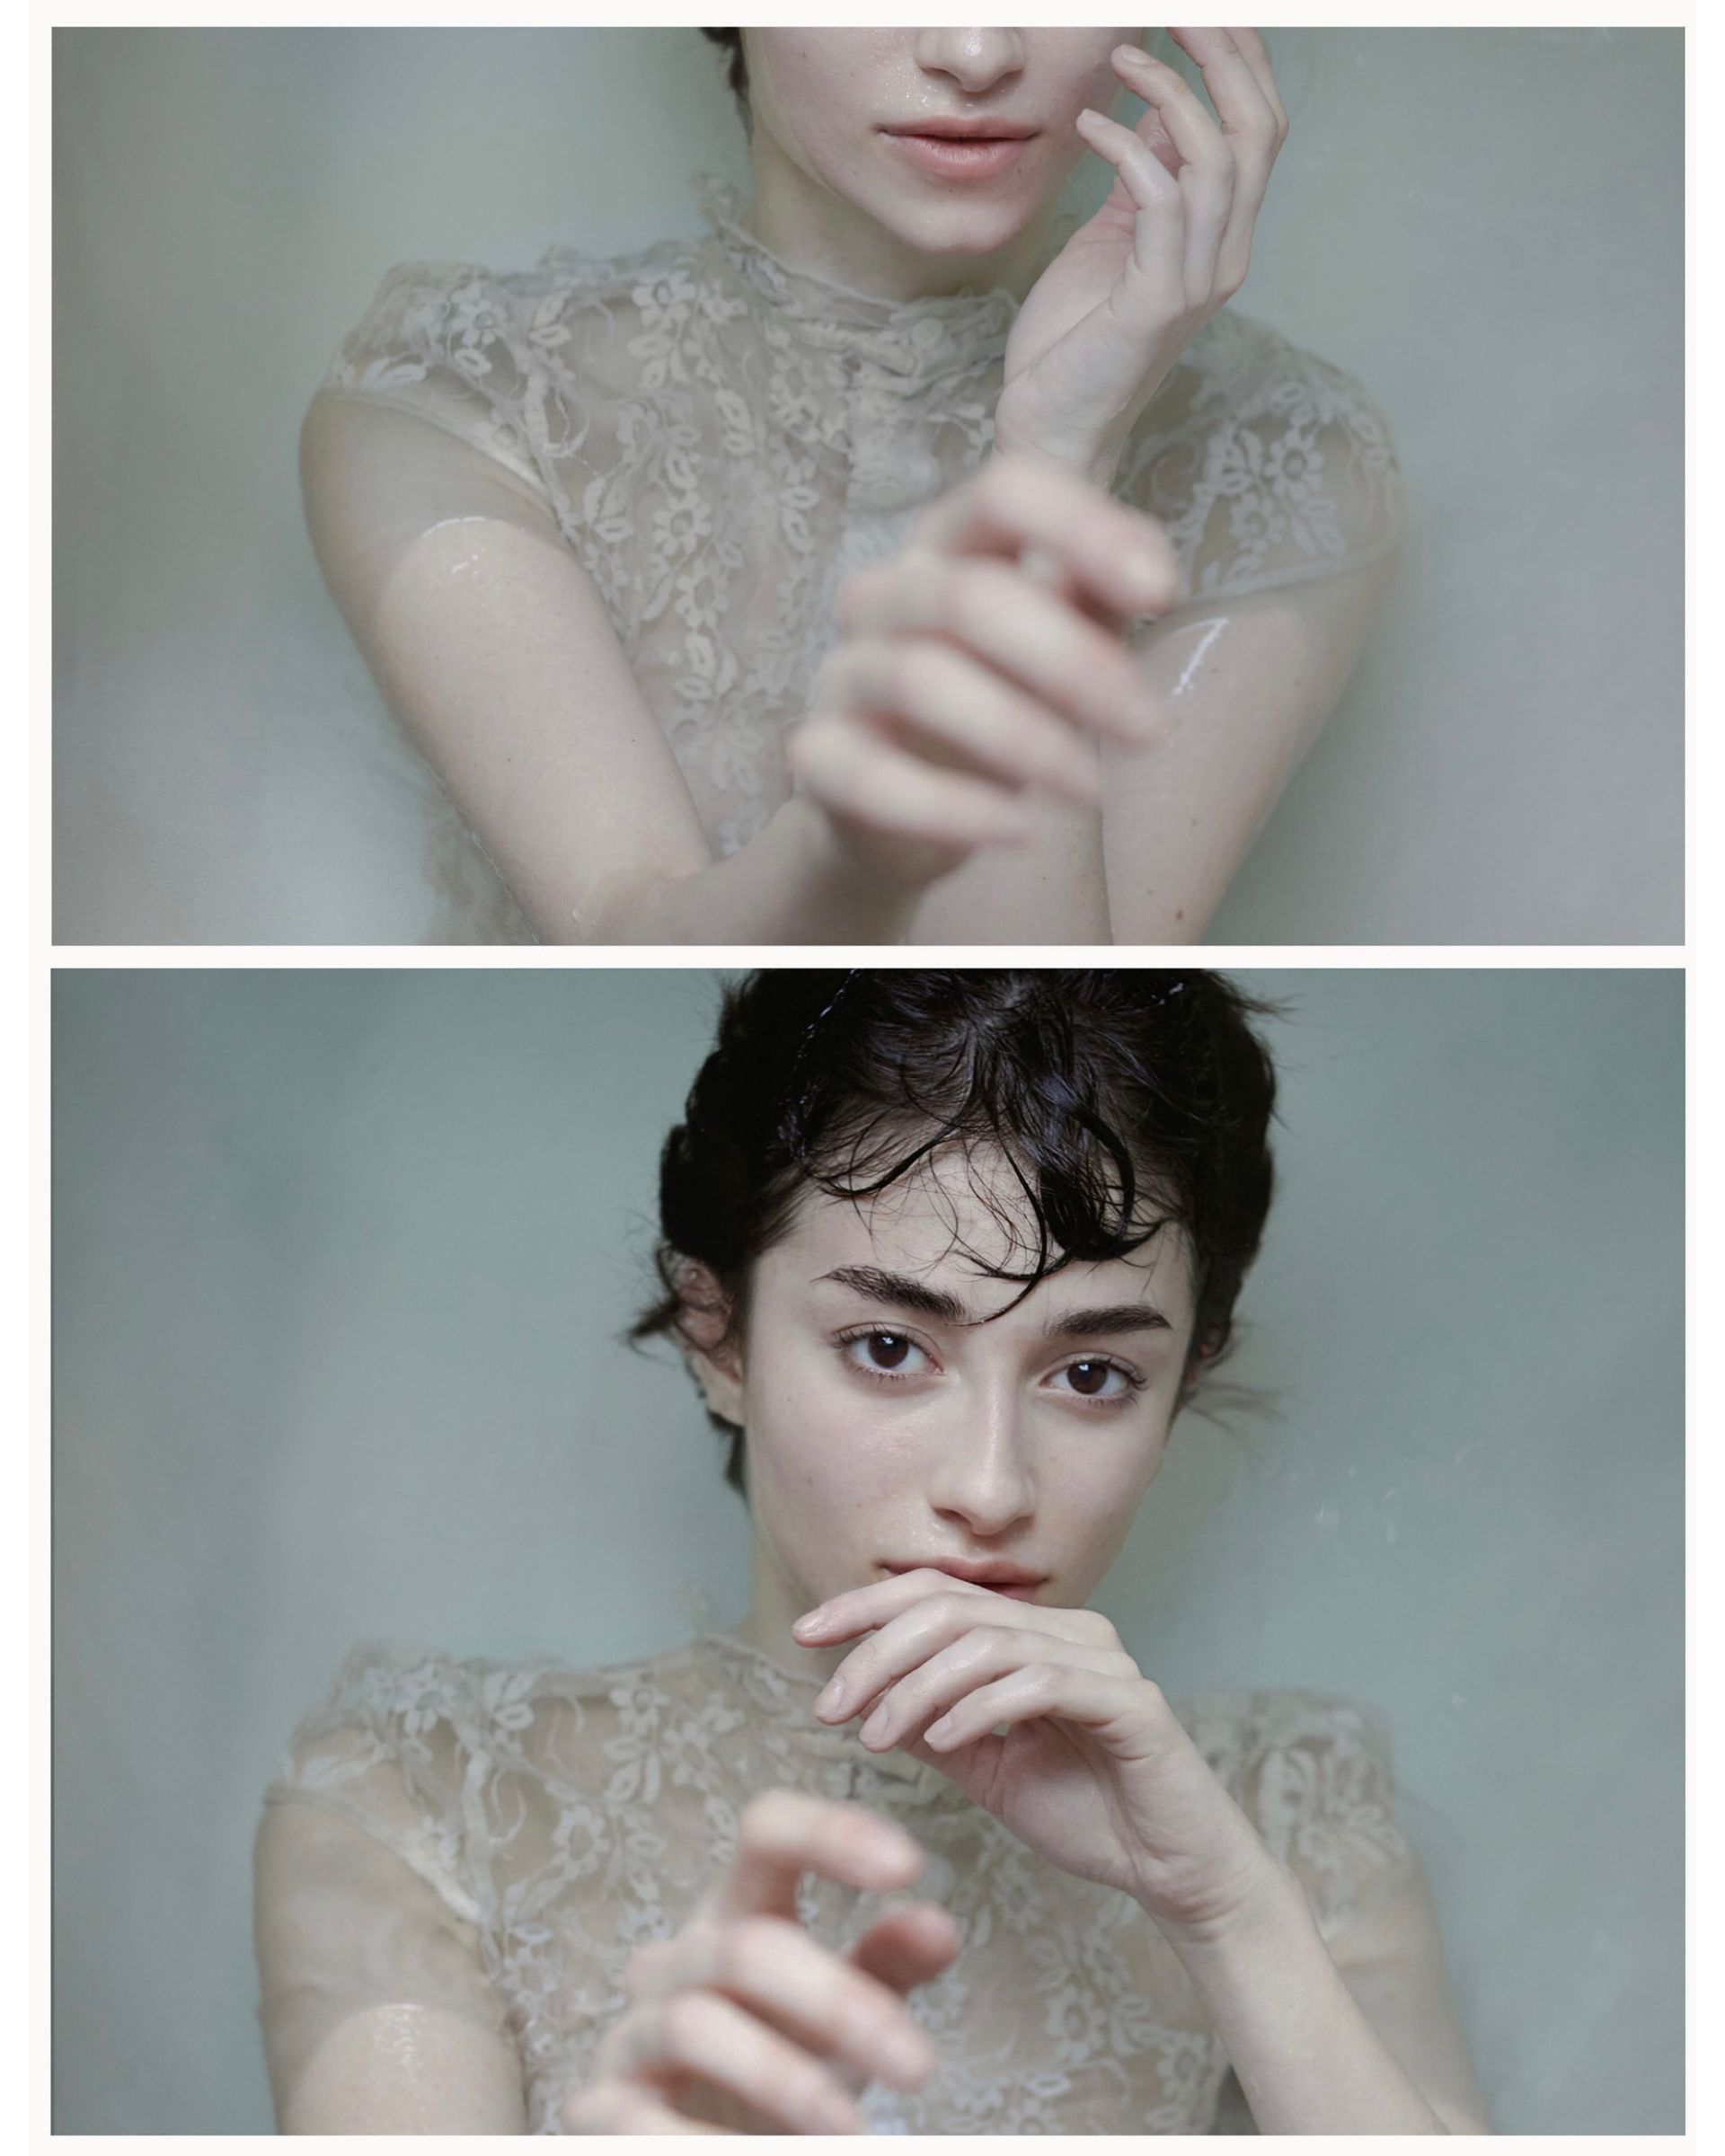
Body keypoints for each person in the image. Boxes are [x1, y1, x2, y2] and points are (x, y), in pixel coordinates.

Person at [252, 971, 1492, 2133]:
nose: (989, 1489)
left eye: (1092, 1374)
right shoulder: (425, 1802)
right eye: (890, 1349)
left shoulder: (1289, 1818)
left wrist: (1225, 1911)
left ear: (1184, 1384)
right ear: (718, 1335)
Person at [301, 31, 1404, 945]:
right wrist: (850, 853)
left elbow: (1040, 1026)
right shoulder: (463, 403)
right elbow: (624, 944)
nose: (977, 49)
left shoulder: (1287, 467)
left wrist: (1059, 457)